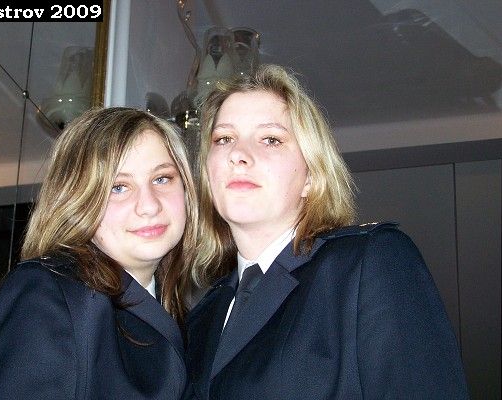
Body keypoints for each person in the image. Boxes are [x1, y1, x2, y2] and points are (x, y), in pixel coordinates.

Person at [183, 65, 469, 399]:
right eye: (224, 139)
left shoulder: (370, 264)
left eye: (271, 139)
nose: (238, 155)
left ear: (311, 177)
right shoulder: (201, 316)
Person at [0, 107, 198, 399]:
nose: (149, 205)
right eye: (118, 187)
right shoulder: (48, 293)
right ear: (77, 200)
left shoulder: (188, 321)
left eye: (162, 178)